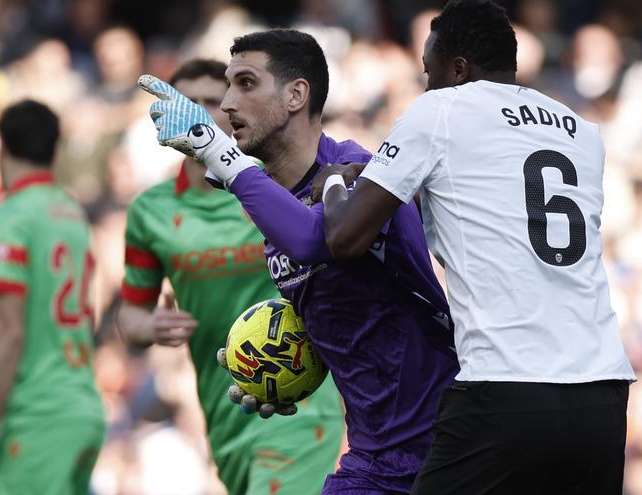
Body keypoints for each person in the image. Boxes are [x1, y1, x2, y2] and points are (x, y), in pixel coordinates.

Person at [315, 1, 637, 493]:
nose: (425, 84)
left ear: (459, 69)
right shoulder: (581, 130)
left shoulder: (441, 110)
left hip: (506, 387)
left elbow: (344, 237)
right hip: (602, 396)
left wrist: (335, 183)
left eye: (429, 71)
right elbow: (486, 201)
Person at [139, 29, 458, 494]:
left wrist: (216, 151)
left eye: (246, 83)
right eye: (228, 86)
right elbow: (354, 315)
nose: (227, 104)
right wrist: (276, 367)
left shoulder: (360, 172)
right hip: (376, 454)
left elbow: (314, 240)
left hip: (448, 441)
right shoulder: (272, 215)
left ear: (296, 95)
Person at [116, 59, 345, 495]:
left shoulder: (269, 184)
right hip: (223, 406)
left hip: (297, 396)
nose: (199, 113)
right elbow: (131, 315)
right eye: (188, 103)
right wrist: (150, 326)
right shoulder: (151, 211)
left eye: (210, 102)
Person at [0, 100, 105, 495]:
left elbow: (11, 330)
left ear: (2, 148)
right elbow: (78, 312)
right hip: (84, 405)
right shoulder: (71, 211)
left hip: (38, 414)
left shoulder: (9, 214)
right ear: (55, 151)